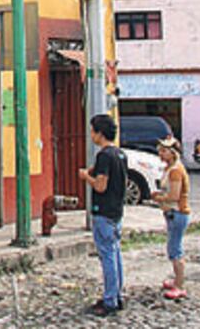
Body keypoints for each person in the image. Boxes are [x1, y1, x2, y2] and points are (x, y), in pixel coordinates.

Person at [78, 114, 128, 318]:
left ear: (100, 133)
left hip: (104, 212)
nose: (91, 135)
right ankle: (116, 294)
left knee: (107, 256)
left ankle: (109, 301)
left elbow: (100, 185)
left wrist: (85, 177)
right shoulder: (120, 154)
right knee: (115, 254)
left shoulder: (104, 156)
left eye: (92, 131)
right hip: (116, 211)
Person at [150, 136, 191, 301]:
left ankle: (179, 286)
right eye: (160, 150)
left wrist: (158, 198)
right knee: (173, 247)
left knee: (175, 250)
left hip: (178, 213)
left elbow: (174, 195)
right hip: (171, 213)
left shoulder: (175, 171)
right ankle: (176, 280)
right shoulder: (170, 168)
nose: (160, 154)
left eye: (164, 151)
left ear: (173, 153)